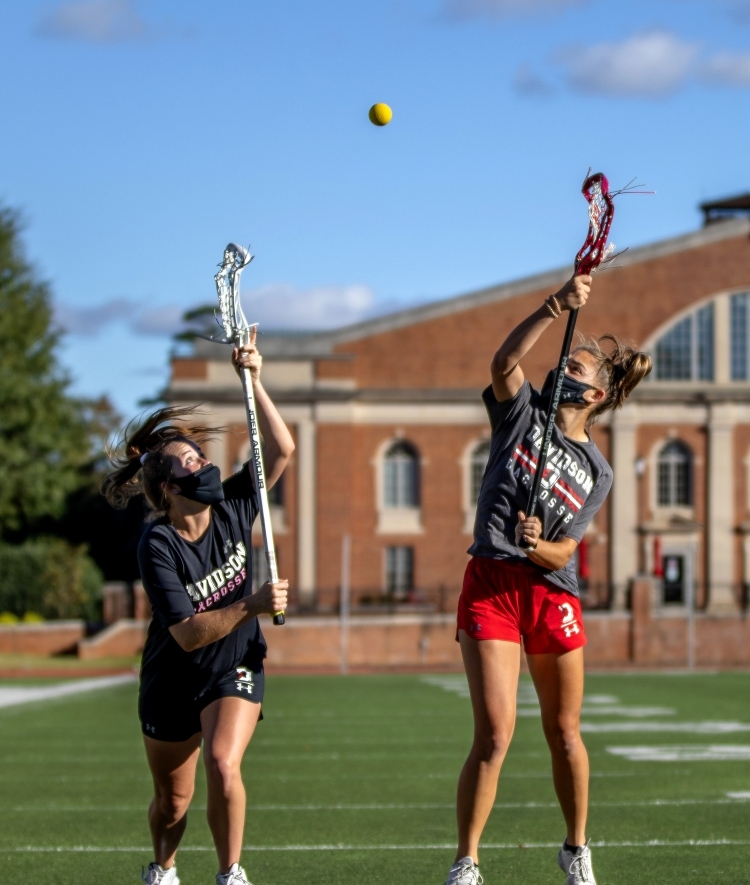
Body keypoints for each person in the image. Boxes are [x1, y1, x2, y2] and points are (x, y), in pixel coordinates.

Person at [443, 275, 652, 885]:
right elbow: (504, 361)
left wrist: (540, 547)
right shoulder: (521, 413)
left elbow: (569, 548)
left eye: (576, 368)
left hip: (550, 592)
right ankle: (467, 861)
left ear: (597, 394)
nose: (563, 368)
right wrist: (553, 307)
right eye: (564, 360)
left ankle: (576, 847)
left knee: (564, 732)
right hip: (490, 584)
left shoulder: (599, 470)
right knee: (495, 732)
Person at [103, 331, 294, 885]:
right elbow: (186, 634)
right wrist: (252, 603)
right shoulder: (157, 544)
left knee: (222, 763)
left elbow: (281, 450)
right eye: (186, 462)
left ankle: (230, 872)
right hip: (173, 676)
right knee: (173, 801)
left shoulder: (235, 504)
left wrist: (253, 379)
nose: (201, 463)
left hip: (232, 665)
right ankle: (162, 868)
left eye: (199, 454)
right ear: (166, 489)